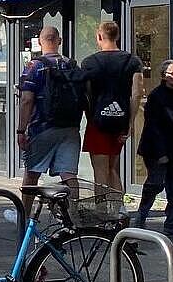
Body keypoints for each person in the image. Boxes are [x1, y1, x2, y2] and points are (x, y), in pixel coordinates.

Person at [12, 26, 81, 221]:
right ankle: (74, 217)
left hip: (42, 127)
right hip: (70, 127)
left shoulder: (34, 66)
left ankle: (23, 217)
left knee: (32, 173)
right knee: (69, 175)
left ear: (40, 42)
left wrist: (21, 130)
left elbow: (26, 100)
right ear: (59, 41)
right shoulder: (72, 65)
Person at [132, 59, 173, 235]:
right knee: (155, 184)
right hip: (155, 148)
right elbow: (153, 127)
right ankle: (141, 218)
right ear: (164, 75)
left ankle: (171, 222)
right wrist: (161, 153)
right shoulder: (156, 96)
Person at [80, 20, 143, 195]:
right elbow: (137, 92)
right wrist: (130, 122)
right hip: (120, 120)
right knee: (113, 168)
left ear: (99, 36)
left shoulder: (89, 62)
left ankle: (103, 214)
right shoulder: (132, 61)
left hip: (98, 121)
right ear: (118, 36)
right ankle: (119, 212)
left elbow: (85, 93)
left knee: (100, 171)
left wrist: (89, 115)